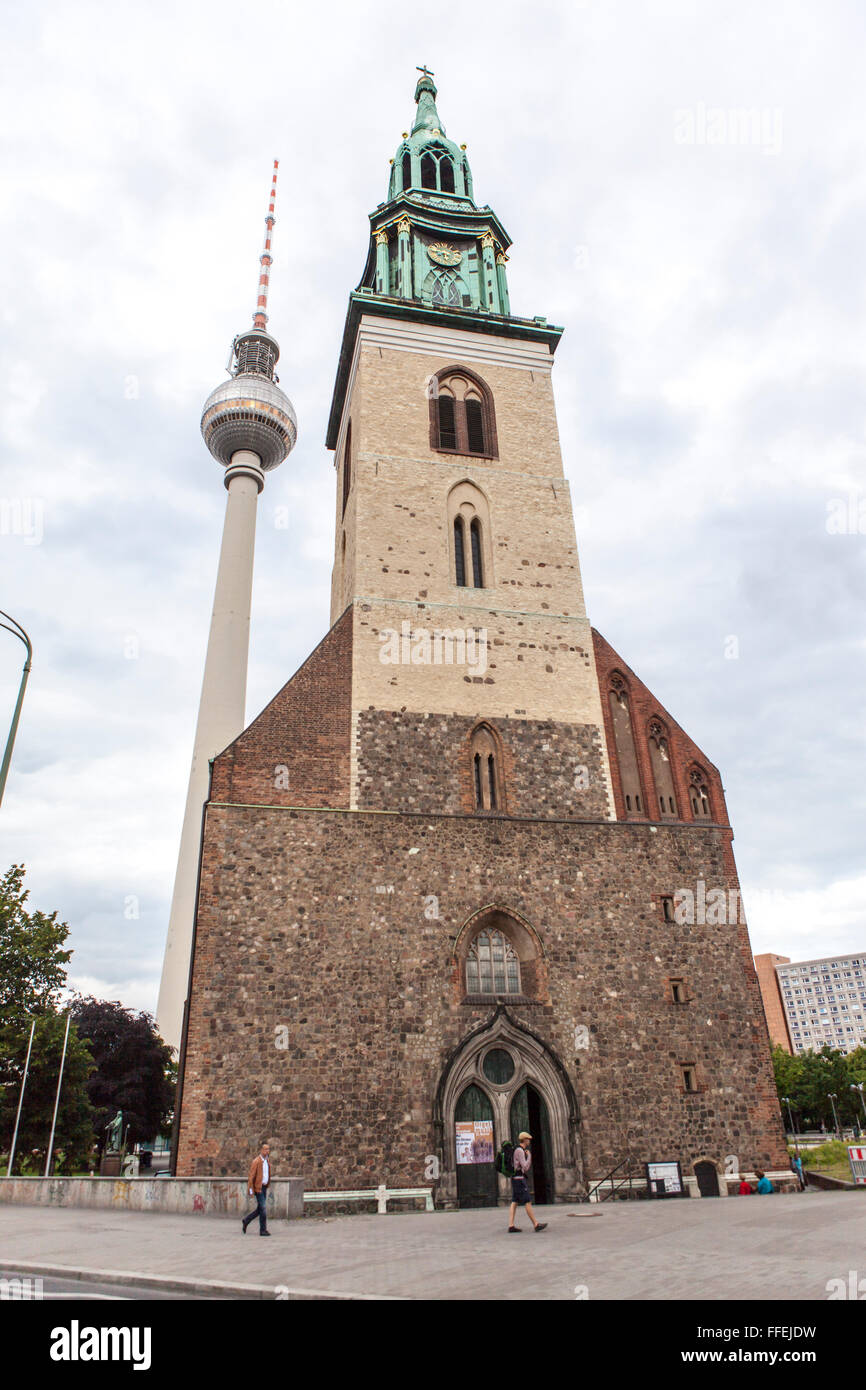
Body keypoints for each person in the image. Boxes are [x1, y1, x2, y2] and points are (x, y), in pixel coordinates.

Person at [508, 1131, 547, 1233]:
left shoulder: (516, 1149)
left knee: (514, 1202)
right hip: (519, 1180)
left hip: (515, 1179)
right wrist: (529, 1156)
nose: (529, 1141)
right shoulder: (520, 1151)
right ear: (524, 1140)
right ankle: (536, 1224)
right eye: (528, 1139)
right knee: (527, 1201)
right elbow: (525, 1167)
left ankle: (511, 1225)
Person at [242, 1141, 273, 1235]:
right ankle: (263, 1230)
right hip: (258, 1188)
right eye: (265, 1149)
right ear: (261, 1150)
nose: (267, 1151)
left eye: (268, 1149)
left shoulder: (267, 1161)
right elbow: (251, 1176)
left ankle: (246, 1220)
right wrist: (251, 1190)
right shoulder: (256, 1161)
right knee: (263, 1209)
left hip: (264, 1187)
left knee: (260, 1209)